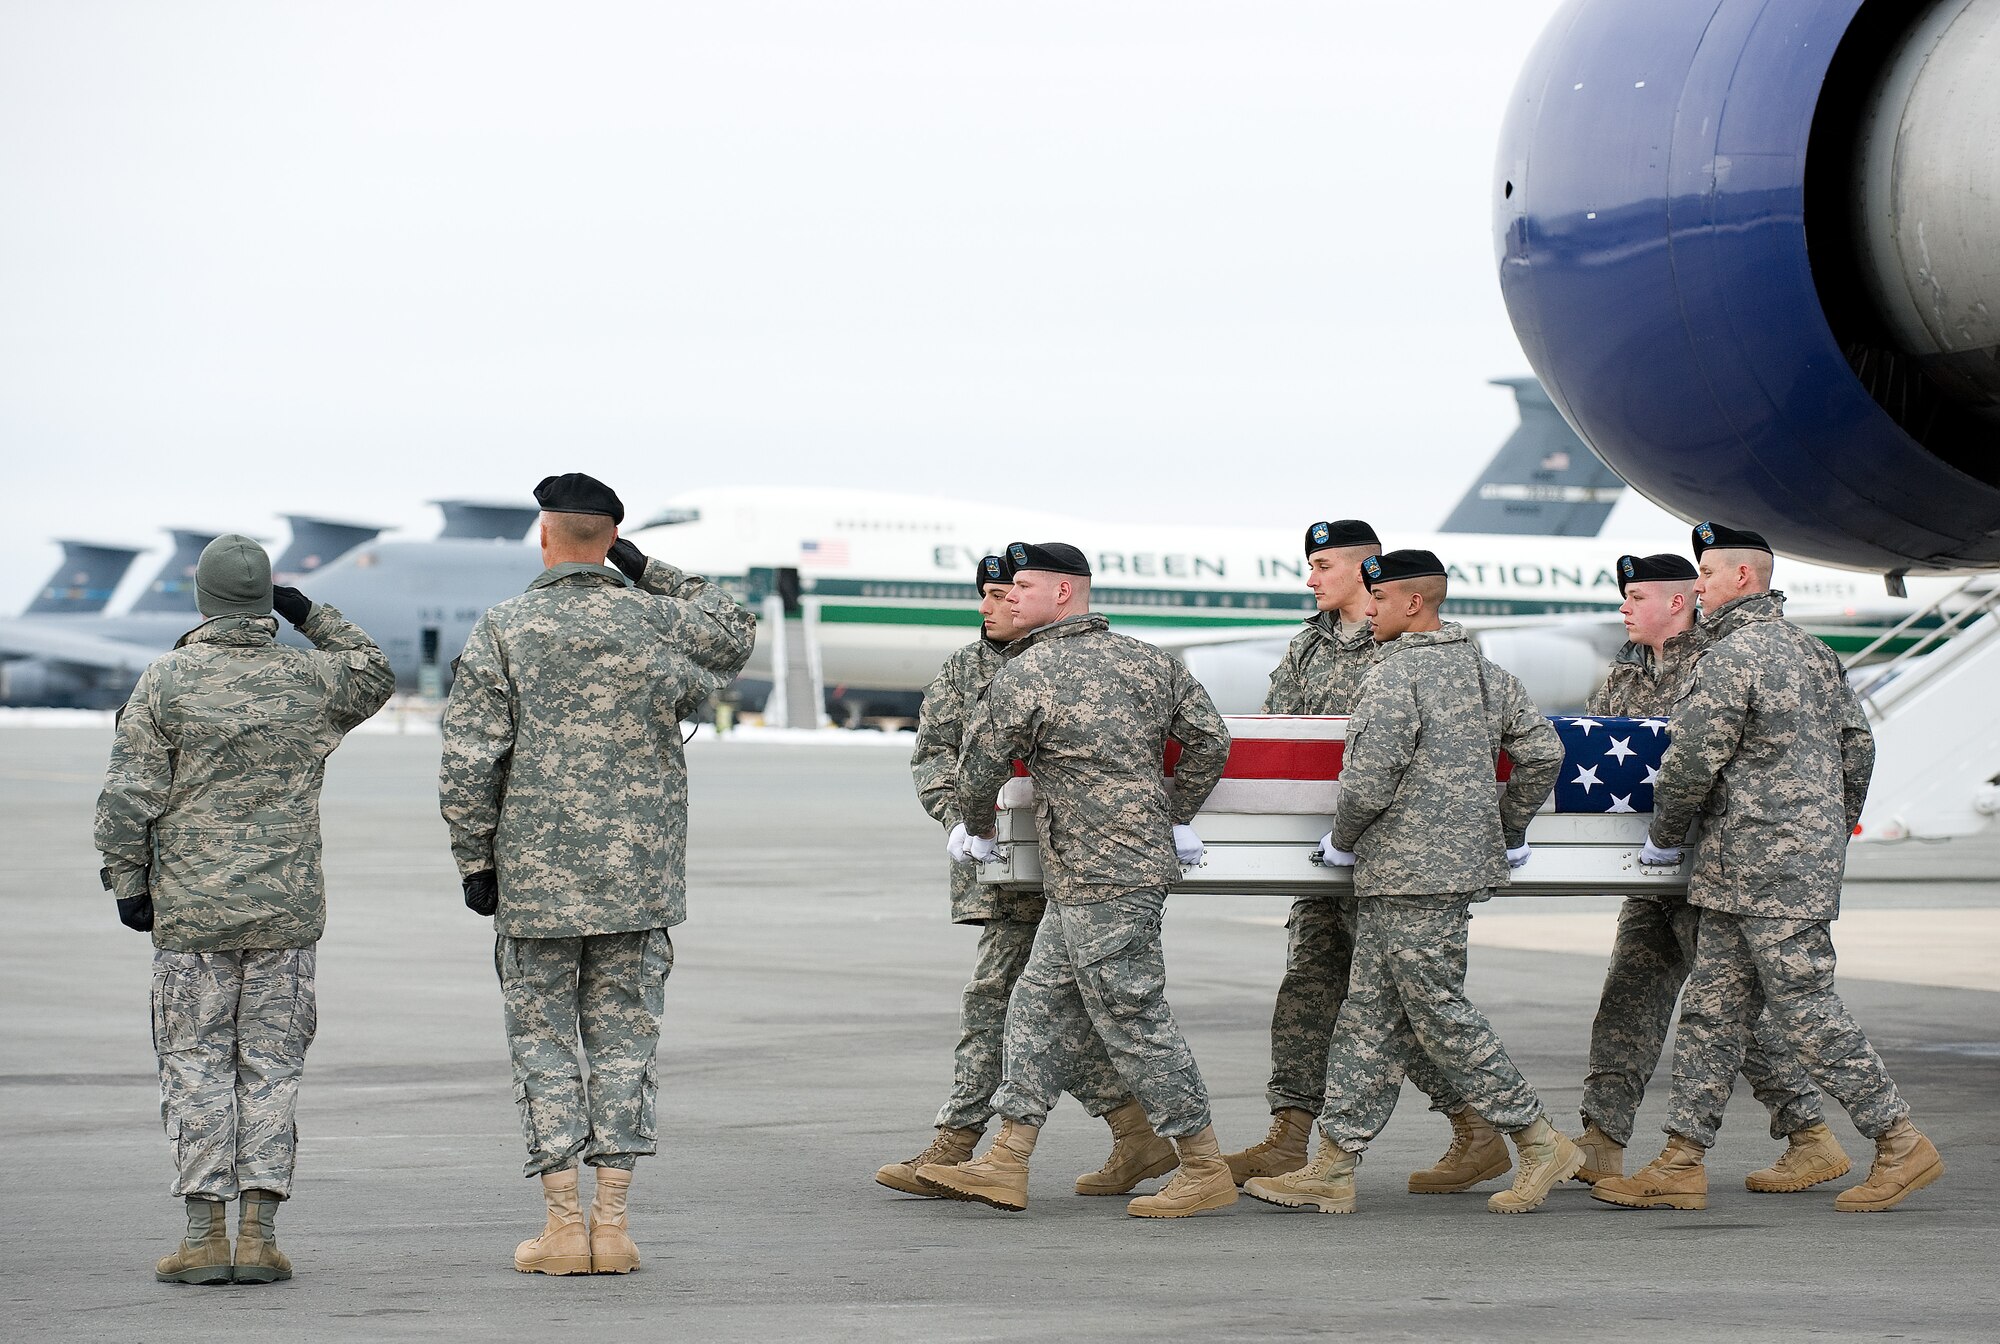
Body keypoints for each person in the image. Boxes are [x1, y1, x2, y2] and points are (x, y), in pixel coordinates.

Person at [439, 473, 755, 1273]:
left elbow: (469, 758)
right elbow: (735, 628)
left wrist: (476, 860)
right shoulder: (657, 619)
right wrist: (651, 571)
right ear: (612, 540)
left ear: (545, 537)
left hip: (536, 883)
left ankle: (561, 1228)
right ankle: (612, 1227)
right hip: (638, 884)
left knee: (543, 1048)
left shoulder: (505, 627)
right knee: (624, 1048)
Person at [1594, 524, 1944, 1213]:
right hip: (1759, 868)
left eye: (1707, 574)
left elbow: (1692, 762)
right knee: (1711, 1012)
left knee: (1805, 1006)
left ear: (1742, 578)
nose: (1699, 586)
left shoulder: (1730, 656)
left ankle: (1899, 1141)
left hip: (1755, 865)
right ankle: (1681, 1161)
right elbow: (1859, 748)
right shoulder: (1815, 652)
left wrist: (1664, 838)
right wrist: (1827, 832)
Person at [94, 534, 394, 1284]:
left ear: (202, 599)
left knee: (194, 1065)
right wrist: (310, 614)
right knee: (272, 1068)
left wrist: (128, 880)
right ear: (266, 599)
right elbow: (375, 670)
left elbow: (128, 794)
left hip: (192, 913)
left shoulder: (166, 680)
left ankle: (203, 1238)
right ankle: (259, 1238)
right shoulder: (310, 679)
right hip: (284, 912)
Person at [1243, 549, 1574, 1216]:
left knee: (1439, 1013)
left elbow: (1368, 781)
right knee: (1367, 1016)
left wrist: (1341, 840)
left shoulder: (1393, 676)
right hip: (1439, 872)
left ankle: (1539, 1140)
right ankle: (1335, 1164)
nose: (1369, 612)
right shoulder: (1486, 672)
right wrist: (1504, 828)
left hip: (1406, 872)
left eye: (1380, 600)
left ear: (1412, 603)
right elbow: (1543, 752)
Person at [914, 542, 1235, 1218]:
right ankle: (1007, 1160)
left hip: (1099, 877)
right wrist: (1172, 814)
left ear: (1063, 593)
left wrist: (978, 829)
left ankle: (1204, 1167)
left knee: (1135, 1019)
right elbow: (1211, 739)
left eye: (1023, 587)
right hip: (1107, 873)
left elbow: (978, 767)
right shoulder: (1150, 660)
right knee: (1034, 1005)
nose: (1010, 597)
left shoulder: (1029, 670)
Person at [879, 554, 1170, 1200]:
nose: (994, 606)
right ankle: (1134, 1132)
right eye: (987, 594)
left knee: (1010, 1001)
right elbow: (936, 754)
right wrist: (962, 822)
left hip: (1078, 866)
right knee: (1040, 1007)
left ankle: (960, 1140)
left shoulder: (1071, 663)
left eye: (1007, 592)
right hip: (1005, 871)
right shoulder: (966, 669)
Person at [1570, 553, 1837, 1191]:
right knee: (1628, 997)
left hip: (1711, 869)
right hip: (1650, 871)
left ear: (1678, 601)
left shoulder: (1716, 662)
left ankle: (1810, 1134)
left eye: (1637, 597)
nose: (1624, 608)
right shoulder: (1626, 674)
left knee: (1728, 1015)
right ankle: (1602, 1137)